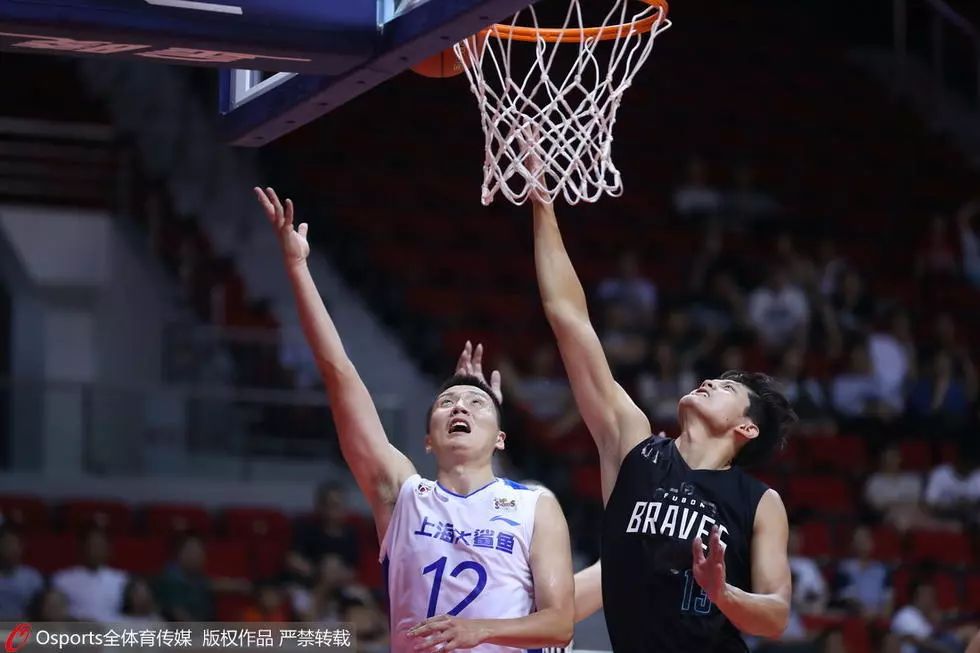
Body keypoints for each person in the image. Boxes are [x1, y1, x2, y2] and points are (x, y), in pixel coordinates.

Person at [254, 188, 573, 653]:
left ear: (501, 438)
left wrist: (479, 630)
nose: (460, 407)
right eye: (447, 403)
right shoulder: (402, 496)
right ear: (427, 440)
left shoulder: (535, 506)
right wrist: (298, 269)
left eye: (475, 403)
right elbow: (340, 374)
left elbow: (560, 623)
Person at [528, 167, 796, 651]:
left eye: (730, 387)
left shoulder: (759, 502)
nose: (712, 380)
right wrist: (543, 205)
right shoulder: (633, 445)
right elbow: (569, 319)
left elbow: (775, 616)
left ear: (747, 427)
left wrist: (723, 592)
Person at [51, 527, 127, 622]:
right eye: (92, 545)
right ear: (82, 548)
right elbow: (55, 614)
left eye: (100, 546)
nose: (95, 550)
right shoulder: (62, 579)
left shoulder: (121, 579)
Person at [0, 527, 44, 620]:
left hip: (24, 630)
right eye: (7, 543)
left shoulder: (32, 578)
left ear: (21, 547)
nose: (10, 548)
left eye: (14, 544)